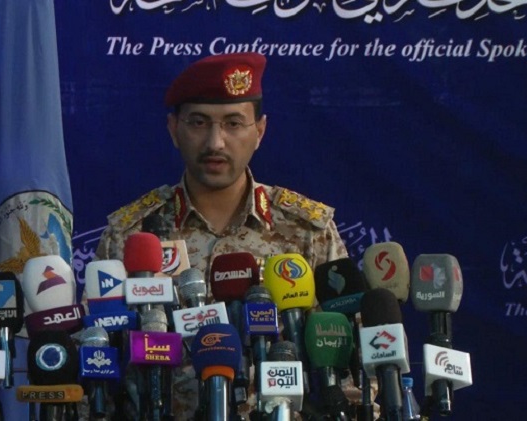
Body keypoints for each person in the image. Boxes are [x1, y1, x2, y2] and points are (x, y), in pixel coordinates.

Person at [93, 52, 351, 420]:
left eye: (233, 123)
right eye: (199, 122)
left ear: (259, 131)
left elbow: (347, 366)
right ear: (174, 129)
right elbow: (98, 362)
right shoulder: (130, 235)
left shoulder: (308, 230)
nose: (215, 142)